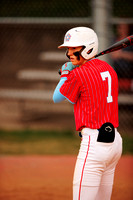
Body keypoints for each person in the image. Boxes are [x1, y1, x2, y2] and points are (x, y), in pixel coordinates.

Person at [53, 27, 122, 200]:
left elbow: (57, 97)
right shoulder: (108, 68)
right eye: (68, 49)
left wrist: (66, 74)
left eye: (73, 49)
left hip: (94, 144)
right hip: (115, 143)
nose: (69, 53)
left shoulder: (78, 74)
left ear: (88, 48)